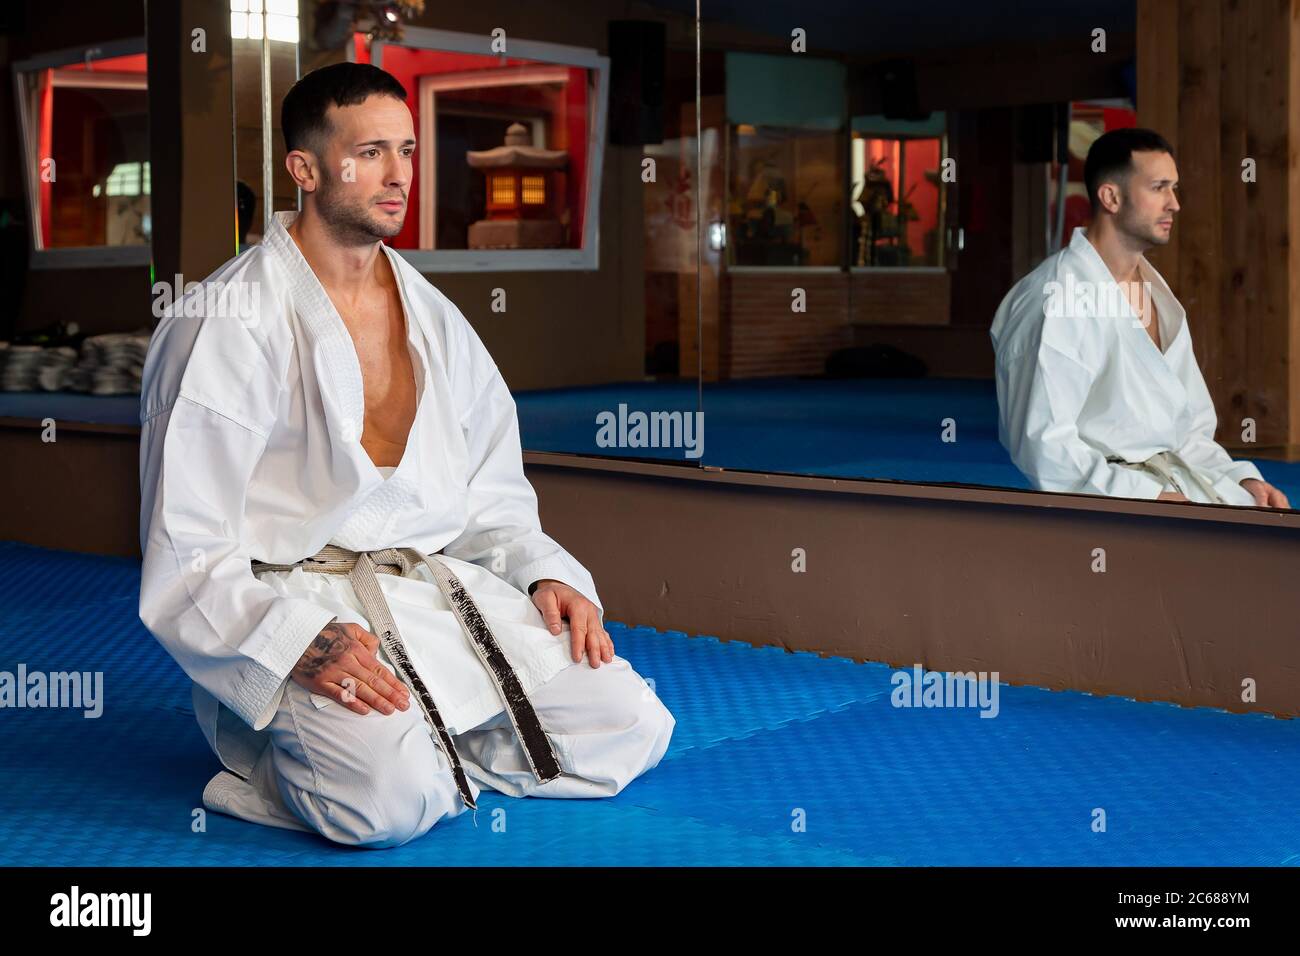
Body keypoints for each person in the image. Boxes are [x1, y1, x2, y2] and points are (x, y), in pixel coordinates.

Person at [138, 62, 675, 848]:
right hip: (300, 609)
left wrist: (542, 571)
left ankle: (427, 751)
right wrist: (292, 644)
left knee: (628, 727)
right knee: (385, 809)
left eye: (409, 150)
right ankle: (269, 773)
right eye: (371, 153)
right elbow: (187, 548)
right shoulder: (225, 321)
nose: (399, 176)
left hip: (428, 594)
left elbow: (491, 494)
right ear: (306, 168)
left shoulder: (434, 317)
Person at [990, 127, 1289, 508]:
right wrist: (1146, 496)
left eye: (1174, 188)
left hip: (1174, 490)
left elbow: (1186, 429)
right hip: (1106, 508)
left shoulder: (1154, 293)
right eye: (1159, 187)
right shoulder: (1056, 300)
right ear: (1111, 197)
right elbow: (1041, 443)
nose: (1174, 204)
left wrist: (1238, 477)